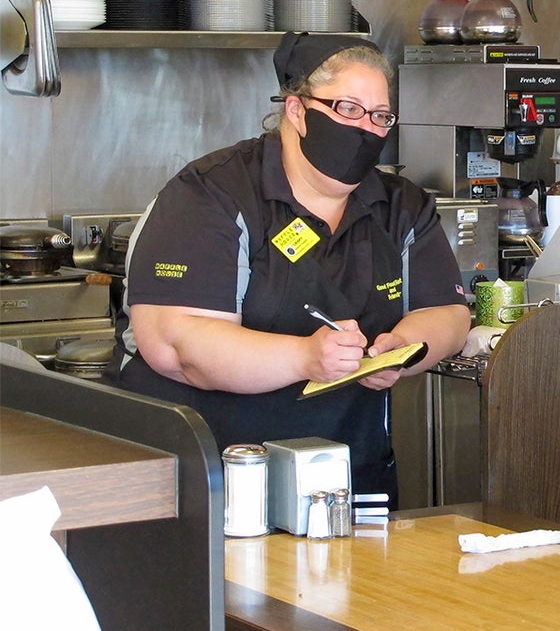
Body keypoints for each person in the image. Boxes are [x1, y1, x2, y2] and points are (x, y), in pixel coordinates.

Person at [104, 32, 471, 505]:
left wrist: (401, 350)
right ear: (297, 111)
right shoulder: (211, 194)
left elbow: (449, 312)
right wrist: (306, 358)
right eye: (348, 109)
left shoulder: (399, 206)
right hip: (210, 479)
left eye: (380, 116)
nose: (367, 129)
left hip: (345, 477)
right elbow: (177, 344)